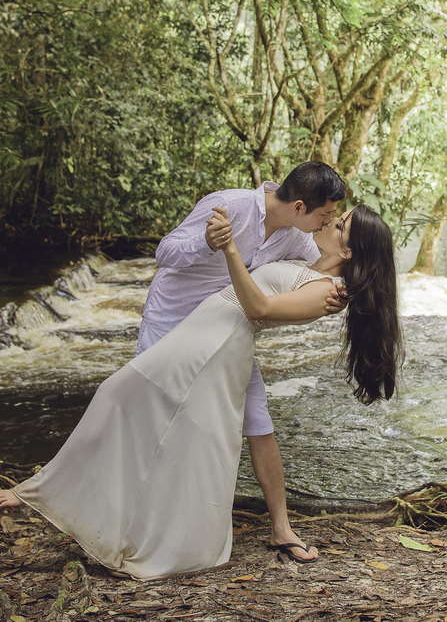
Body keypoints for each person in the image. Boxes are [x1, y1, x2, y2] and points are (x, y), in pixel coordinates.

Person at [0, 203, 402, 581]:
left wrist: (229, 251)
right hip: (204, 328)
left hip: (216, 345)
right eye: (334, 215)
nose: (331, 221)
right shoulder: (308, 258)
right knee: (137, 406)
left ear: (349, 251)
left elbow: (258, 308)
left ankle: (66, 500)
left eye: (340, 223)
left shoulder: (326, 290)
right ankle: (65, 497)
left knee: (123, 397)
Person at [135, 161, 347, 564]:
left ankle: (281, 529)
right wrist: (206, 243)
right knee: (149, 415)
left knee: (258, 421)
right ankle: (135, 518)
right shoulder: (227, 206)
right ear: (299, 206)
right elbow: (165, 253)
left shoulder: (296, 236)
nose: (329, 222)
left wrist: (336, 298)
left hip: (228, 330)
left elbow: (309, 276)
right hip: (172, 321)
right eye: (325, 214)